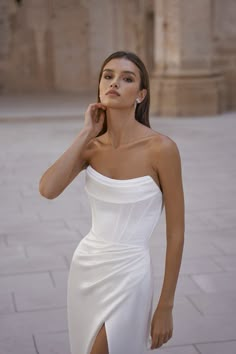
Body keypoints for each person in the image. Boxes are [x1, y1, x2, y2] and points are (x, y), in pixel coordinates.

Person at [39, 50, 185, 354]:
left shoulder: (162, 149)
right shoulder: (90, 148)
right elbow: (48, 189)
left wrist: (165, 305)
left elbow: (176, 233)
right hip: (87, 269)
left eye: (126, 78)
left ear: (141, 94)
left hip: (131, 272)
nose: (114, 82)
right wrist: (86, 132)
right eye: (108, 75)